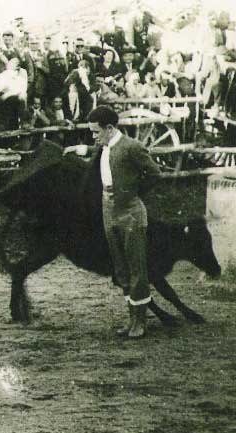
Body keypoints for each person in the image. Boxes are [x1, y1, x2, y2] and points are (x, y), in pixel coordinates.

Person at [72, 105, 160, 338]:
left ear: (109, 128)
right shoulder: (103, 146)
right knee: (120, 268)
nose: (93, 136)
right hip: (108, 209)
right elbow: (93, 153)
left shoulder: (132, 147)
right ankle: (131, 318)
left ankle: (140, 322)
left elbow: (154, 174)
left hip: (130, 212)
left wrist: (131, 192)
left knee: (136, 267)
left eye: (95, 131)